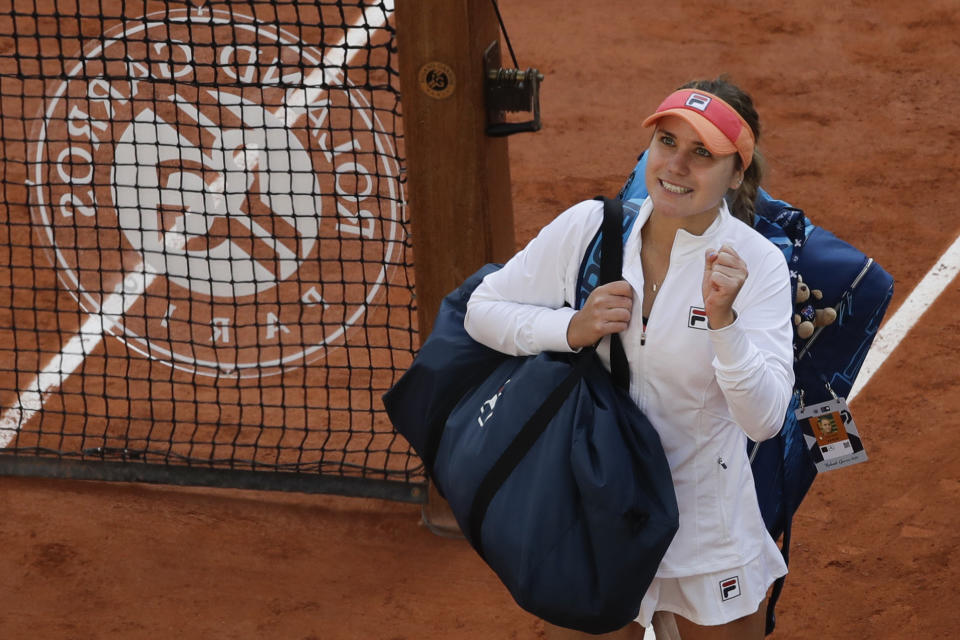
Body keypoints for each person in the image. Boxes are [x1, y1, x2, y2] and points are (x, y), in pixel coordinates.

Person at [463, 77, 794, 640]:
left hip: (707, 531)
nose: (676, 166)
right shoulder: (589, 229)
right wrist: (570, 327)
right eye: (667, 142)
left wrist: (724, 323)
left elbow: (763, 420)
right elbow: (482, 309)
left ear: (736, 174)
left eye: (702, 154)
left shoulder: (756, 265)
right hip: (598, 510)